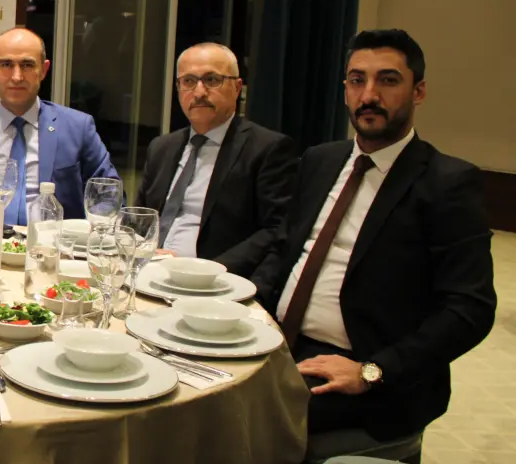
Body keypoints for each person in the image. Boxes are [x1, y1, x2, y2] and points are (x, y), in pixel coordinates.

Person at [252, 29, 494, 441]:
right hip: (277, 341)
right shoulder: (320, 160)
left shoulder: (447, 183)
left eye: (388, 80)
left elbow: (470, 310)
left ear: (418, 92)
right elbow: (285, 249)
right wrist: (247, 310)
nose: (369, 95)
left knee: (239, 414)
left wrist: (373, 371)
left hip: (363, 365)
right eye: (357, 80)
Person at [138, 43, 297, 276]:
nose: (199, 92)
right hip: (148, 272)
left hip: (212, 280)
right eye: (188, 81)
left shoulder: (267, 149)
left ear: (237, 87)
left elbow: (276, 230)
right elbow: (140, 218)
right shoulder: (161, 148)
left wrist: (204, 270)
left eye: (211, 80)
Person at [0, 27, 118, 222]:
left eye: (27, 65)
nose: (17, 76)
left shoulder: (78, 128)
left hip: (51, 239)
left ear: (43, 70)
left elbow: (109, 195)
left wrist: (92, 227)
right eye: (7, 64)